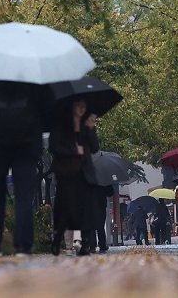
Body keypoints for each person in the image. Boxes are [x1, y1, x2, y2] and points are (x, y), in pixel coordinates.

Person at [0, 74, 50, 257]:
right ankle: (23, 245)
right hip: (27, 142)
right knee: (24, 194)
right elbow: (48, 107)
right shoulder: (33, 68)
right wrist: (37, 133)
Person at [48, 100, 100, 256]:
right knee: (66, 208)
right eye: (78, 106)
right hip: (67, 173)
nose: (82, 109)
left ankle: (85, 244)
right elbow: (54, 146)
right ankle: (57, 240)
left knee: (85, 208)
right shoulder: (61, 124)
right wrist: (73, 150)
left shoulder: (86, 125)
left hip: (84, 173)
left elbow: (95, 147)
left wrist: (91, 129)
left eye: (84, 107)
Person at [89, 183, 114, 253]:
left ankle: (92, 246)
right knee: (100, 226)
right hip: (100, 205)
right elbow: (110, 192)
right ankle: (102, 246)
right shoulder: (103, 178)